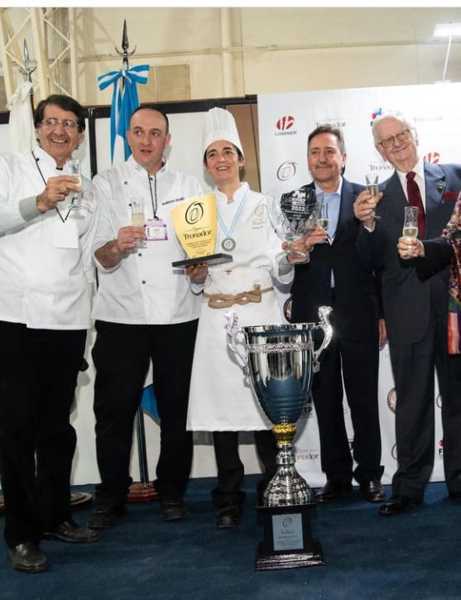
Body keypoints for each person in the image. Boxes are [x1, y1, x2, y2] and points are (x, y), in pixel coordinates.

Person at [87, 106, 203, 529]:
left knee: (177, 411)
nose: (146, 140)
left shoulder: (190, 185)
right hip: (122, 315)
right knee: (113, 411)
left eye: (155, 133)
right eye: (138, 131)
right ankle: (111, 497)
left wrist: (200, 269)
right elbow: (98, 256)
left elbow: (200, 253)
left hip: (178, 314)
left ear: (167, 140)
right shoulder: (105, 186)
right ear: (128, 136)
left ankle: (172, 492)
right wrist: (116, 246)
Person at [0, 94, 100, 574]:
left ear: (80, 133)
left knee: (57, 430)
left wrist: (85, 326)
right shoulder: (11, 167)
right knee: (16, 429)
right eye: (52, 122)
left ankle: (56, 514)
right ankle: (21, 534)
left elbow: (84, 265)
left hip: (67, 321)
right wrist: (38, 202)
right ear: (38, 128)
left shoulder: (88, 186)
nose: (61, 131)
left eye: (70, 124)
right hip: (16, 317)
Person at [186, 107, 295, 529]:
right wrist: (195, 276)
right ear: (206, 164)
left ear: (242, 158)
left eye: (228, 151)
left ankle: (273, 484)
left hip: (259, 312)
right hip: (215, 317)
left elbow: (282, 271)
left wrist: (290, 258)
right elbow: (195, 276)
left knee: (267, 404)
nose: (221, 160)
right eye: (212, 154)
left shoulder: (268, 205)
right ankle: (228, 496)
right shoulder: (195, 211)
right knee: (221, 411)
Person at [354, 111, 461, 515]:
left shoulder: (454, 176)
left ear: (413, 135)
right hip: (406, 311)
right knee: (413, 399)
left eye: (401, 135)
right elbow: (366, 263)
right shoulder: (372, 199)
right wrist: (363, 226)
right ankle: (410, 486)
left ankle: (459, 479)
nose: (397, 144)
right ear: (379, 151)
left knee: (458, 397)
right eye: (387, 141)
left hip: (454, 307)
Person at [283, 124, 385, 504]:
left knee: (363, 398)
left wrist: (382, 315)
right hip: (311, 317)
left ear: (343, 157)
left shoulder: (367, 197)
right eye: (314, 152)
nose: (322, 159)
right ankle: (336, 477)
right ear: (307, 159)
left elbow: (381, 260)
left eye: (329, 151)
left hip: (359, 312)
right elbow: (286, 260)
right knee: (325, 399)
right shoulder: (293, 201)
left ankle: (370, 475)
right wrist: (296, 250)